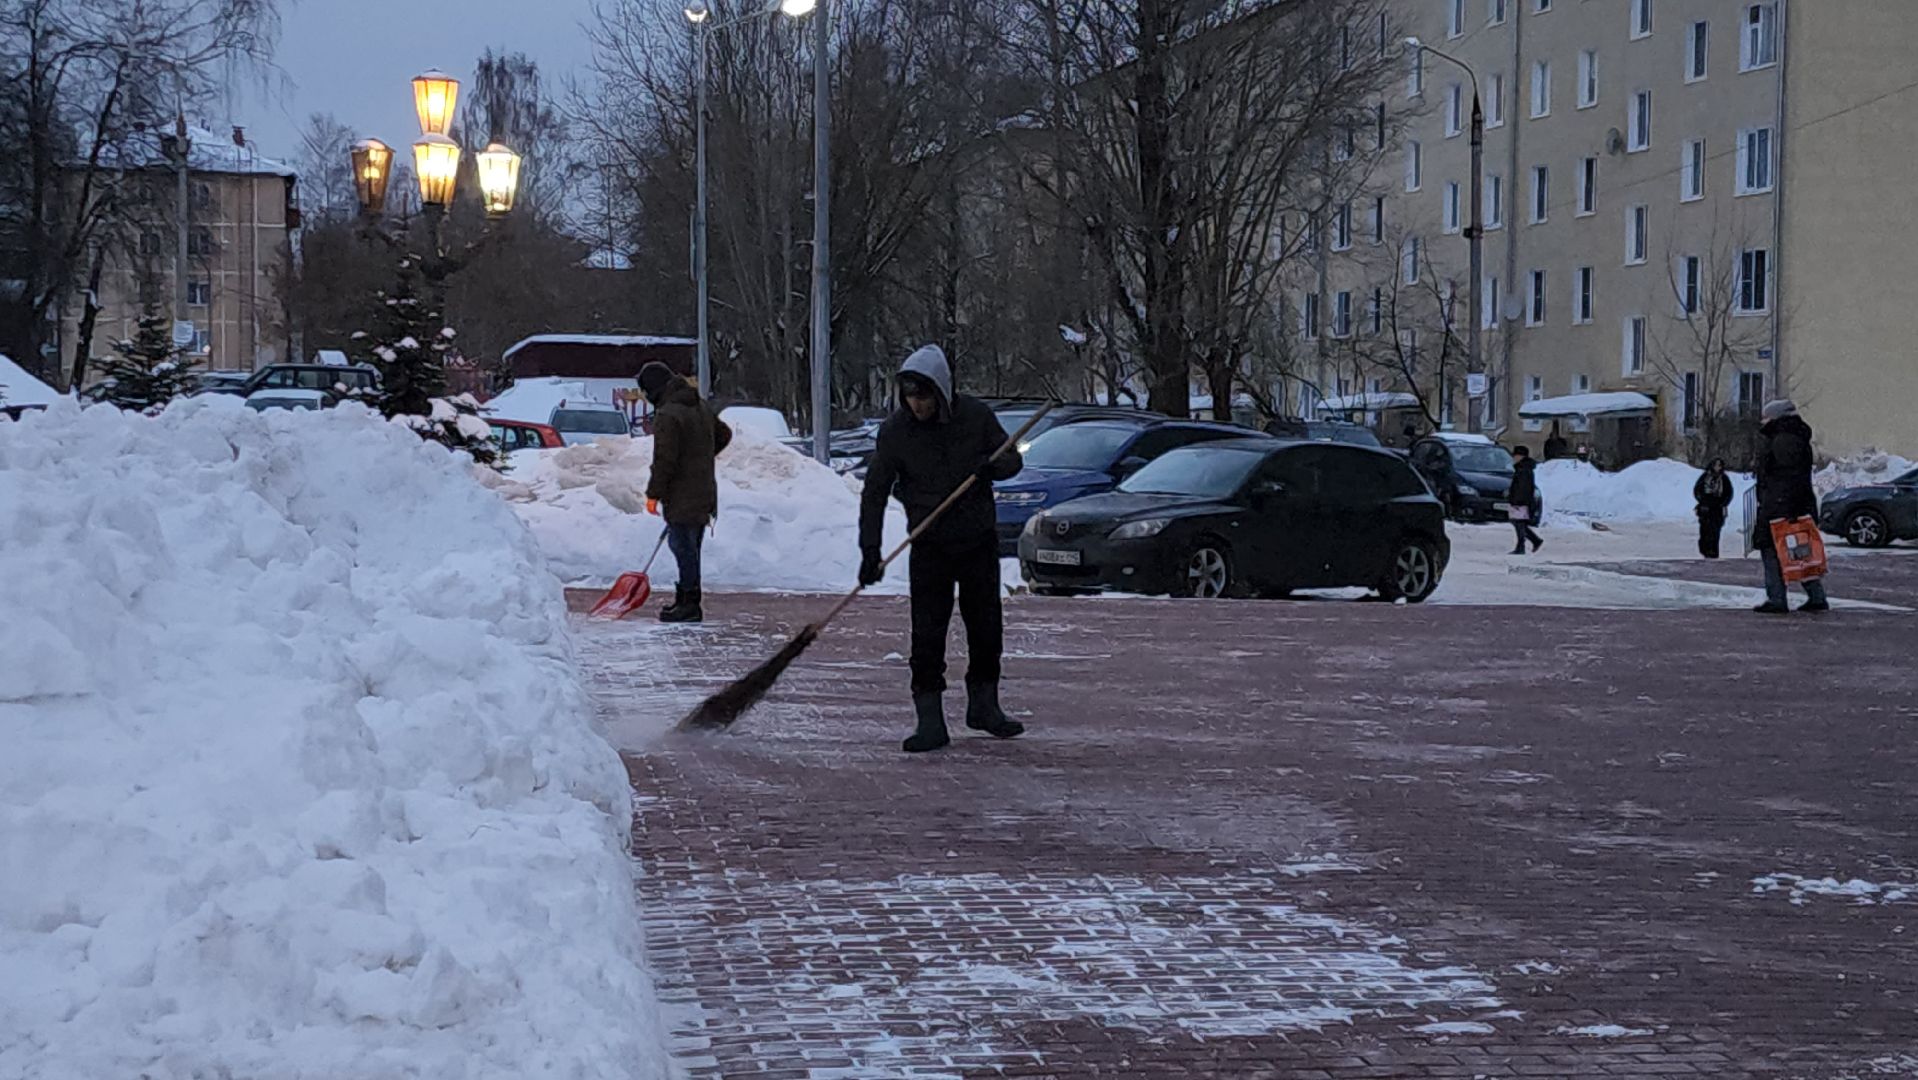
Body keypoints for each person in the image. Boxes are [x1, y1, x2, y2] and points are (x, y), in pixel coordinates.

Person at [858, 344, 1026, 753]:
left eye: (925, 396)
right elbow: (875, 492)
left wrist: (993, 466)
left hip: (976, 541)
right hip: (929, 545)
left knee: (986, 627)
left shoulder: (975, 417)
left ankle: (984, 706)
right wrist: (870, 551)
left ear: (942, 392)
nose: (917, 405)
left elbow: (1012, 461)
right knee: (928, 633)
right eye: (911, 397)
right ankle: (929, 719)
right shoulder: (896, 431)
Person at [638, 361, 733, 624]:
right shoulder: (699, 405)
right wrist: (700, 456)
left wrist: (653, 494)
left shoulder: (669, 414)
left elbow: (665, 460)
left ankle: (689, 604)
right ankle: (687, 600)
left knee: (682, 546)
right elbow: (724, 434)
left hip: (681, 493)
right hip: (703, 489)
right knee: (691, 547)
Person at [1751, 399, 1829, 614]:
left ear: (1776, 417)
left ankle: (1777, 598)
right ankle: (1816, 596)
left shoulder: (1782, 440)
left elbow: (1785, 477)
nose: (1763, 421)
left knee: (1771, 550)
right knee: (1801, 552)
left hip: (1780, 506)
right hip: (1795, 504)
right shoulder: (1795, 437)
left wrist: (1776, 504)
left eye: (1766, 417)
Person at [1692, 457, 1736, 559]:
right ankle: (1705, 549)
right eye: (1716, 465)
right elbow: (1697, 490)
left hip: (1717, 509)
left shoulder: (1724, 479)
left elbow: (1729, 493)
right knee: (1704, 531)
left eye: (1719, 465)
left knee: (1715, 532)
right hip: (1705, 508)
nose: (1717, 467)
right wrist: (1702, 501)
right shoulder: (1705, 477)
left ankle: (1713, 552)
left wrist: (1723, 503)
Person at [1506, 444, 1544, 555]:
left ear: (1521, 456)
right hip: (1520, 500)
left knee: (1519, 523)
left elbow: (1522, 487)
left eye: (1516, 455)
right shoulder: (1522, 468)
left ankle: (1523, 546)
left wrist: (1517, 500)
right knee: (1518, 523)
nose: (1514, 458)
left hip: (1520, 501)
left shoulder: (1523, 469)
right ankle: (1534, 541)